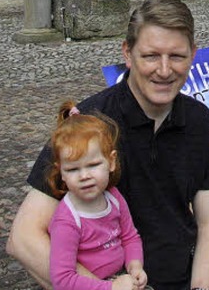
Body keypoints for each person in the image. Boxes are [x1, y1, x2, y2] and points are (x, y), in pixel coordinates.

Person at [7, 0, 209, 290]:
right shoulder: (89, 122)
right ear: (128, 54)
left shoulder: (200, 122)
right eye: (151, 56)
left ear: (193, 54)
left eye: (176, 56)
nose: (164, 70)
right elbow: (23, 237)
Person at [47, 102, 148, 290]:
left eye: (93, 165)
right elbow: (63, 279)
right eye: (73, 169)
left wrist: (135, 266)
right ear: (61, 172)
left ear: (110, 162)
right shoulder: (67, 220)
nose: (84, 176)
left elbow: (130, 237)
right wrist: (111, 288)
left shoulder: (114, 198)